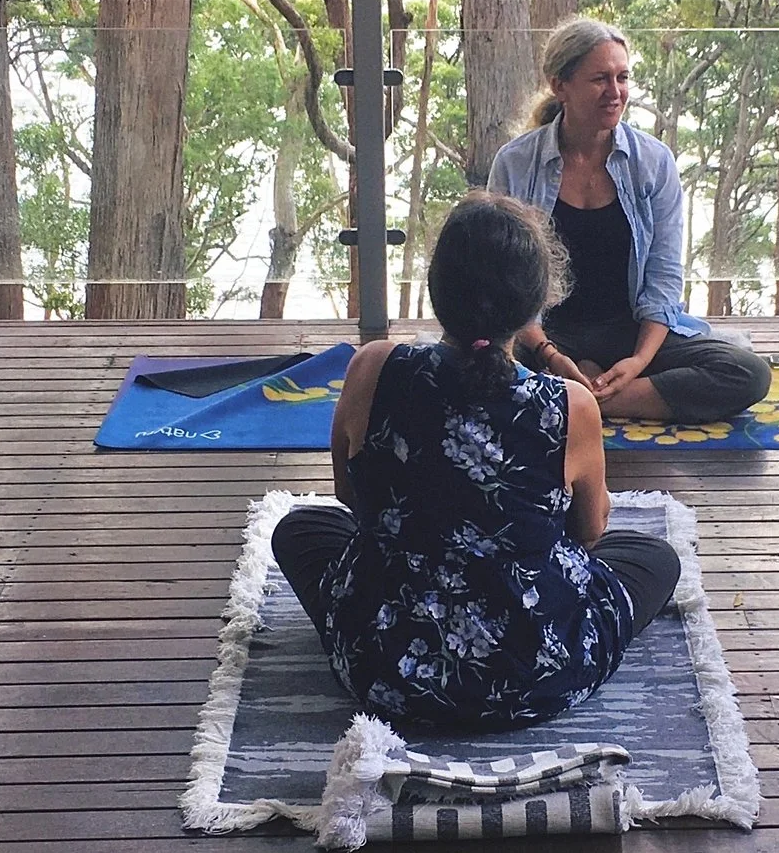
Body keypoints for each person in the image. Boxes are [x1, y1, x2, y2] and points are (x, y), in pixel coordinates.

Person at [270, 192, 682, 731]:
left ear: (439, 290)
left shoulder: (373, 366)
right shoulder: (569, 405)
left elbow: (349, 498)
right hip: (536, 672)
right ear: (535, 303)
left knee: (301, 528)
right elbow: (590, 531)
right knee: (653, 558)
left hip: (387, 671)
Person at [488, 17, 774, 424]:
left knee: (748, 373)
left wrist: (638, 361)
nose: (615, 92)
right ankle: (580, 391)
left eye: (622, 77)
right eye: (600, 79)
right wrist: (549, 353)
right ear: (560, 85)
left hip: (629, 331)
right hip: (543, 335)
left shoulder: (653, 162)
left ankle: (576, 402)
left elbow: (663, 276)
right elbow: (504, 281)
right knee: (472, 365)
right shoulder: (516, 163)